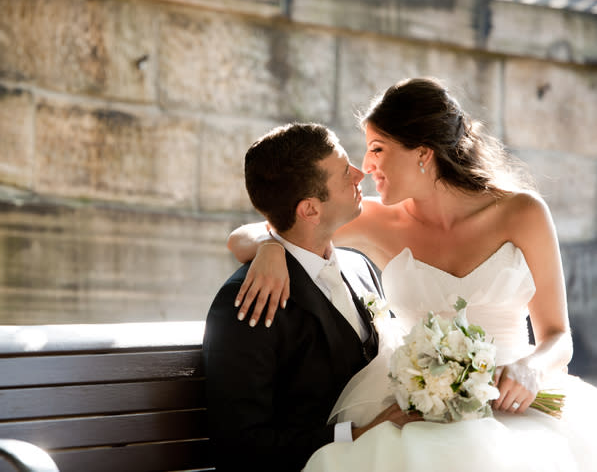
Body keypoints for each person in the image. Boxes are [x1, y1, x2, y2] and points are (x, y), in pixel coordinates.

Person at [227, 78, 597, 471]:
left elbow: (559, 336)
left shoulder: (522, 212)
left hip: (514, 403)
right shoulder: (374, 219)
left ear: (422, 152)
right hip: (418, 410)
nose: (365, 167)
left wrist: (530, 368)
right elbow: (245, 235)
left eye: (377, 149)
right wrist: (271, 247)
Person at [203, 122, 420, 472]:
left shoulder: (361, 267)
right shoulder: (243, 302)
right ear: (309, 210)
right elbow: (241, 446)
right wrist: (359, 433)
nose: (359, 173)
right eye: (342, 172)